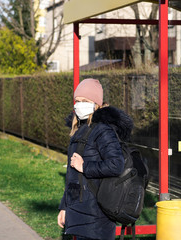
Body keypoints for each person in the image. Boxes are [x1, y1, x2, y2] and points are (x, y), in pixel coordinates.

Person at [57, 78, 134, 240]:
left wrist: (85, 166)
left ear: (96, 104)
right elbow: (72, 176)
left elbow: (116, 164)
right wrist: (64, 208)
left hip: (96, 213)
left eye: (85, 101)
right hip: (78, 209)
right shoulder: (80, 129)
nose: (79, 105)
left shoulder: (103, 129)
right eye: (77, 101)